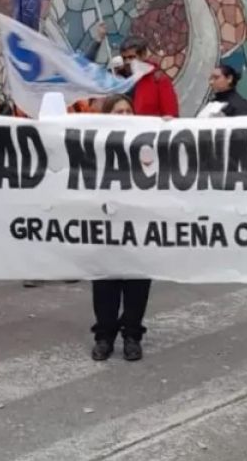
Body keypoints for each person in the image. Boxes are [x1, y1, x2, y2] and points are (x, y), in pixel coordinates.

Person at [91, 94, 152, 362]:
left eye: (129, 111)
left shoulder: (147, 141)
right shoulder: (94, 143)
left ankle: (132, 336)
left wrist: (167, 129)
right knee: (106, 283)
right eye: (119, 111)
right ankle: (104, 336)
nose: (125, 116)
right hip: (105, 225)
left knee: (137, 283)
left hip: (139, 225)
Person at [118, 37, 179, 117]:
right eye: (124, 58)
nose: (127, 62)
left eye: (131, 57)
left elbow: (171, 114)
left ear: (143, 55)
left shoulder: (159, 80)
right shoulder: (120, 80)